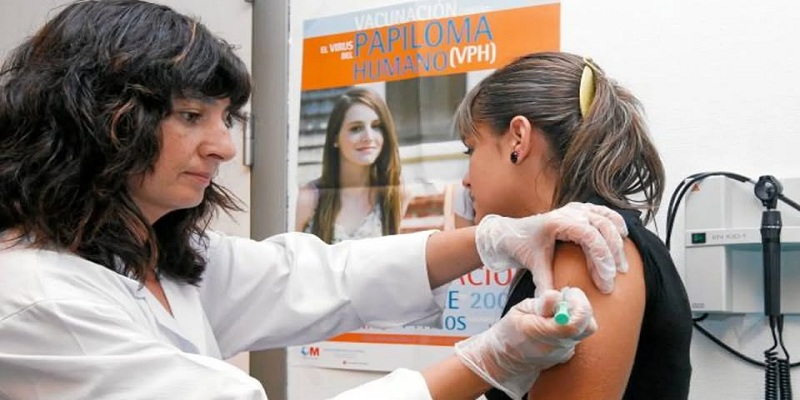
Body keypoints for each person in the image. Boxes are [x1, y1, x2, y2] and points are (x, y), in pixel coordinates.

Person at [0, 2, 628, 399]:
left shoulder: (155, 254)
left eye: (227, 119)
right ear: (99, 120)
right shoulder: (36, 300)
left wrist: (489, 239)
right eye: (192, 116)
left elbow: (320, 275)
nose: (223, 147)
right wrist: (488, 359)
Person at [453, 52, 693, 399]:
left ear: (518, 138)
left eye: (471, 149)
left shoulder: (592, 250)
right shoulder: (575, 246)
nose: (465, 180)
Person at [296, 87, 403, 243]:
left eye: (376, 126)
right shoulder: (308, 199)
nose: (368, 137)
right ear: (335, 138)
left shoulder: (393, 195)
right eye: (356, 128)